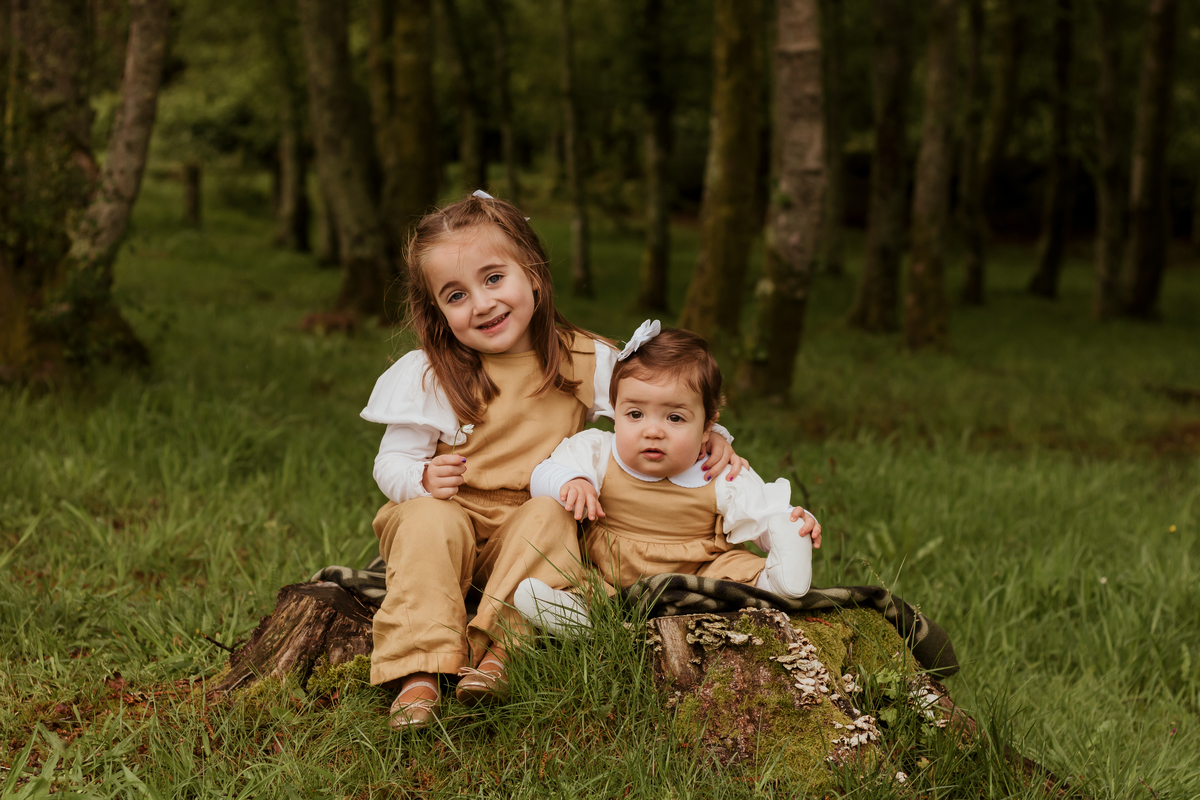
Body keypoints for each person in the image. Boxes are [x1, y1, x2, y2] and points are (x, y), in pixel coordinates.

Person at [361, 195, 745, 729]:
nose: (481, 303)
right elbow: (392, 460)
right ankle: (419, 670)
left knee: (551, 510)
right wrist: (418, 478)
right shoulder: (431, 373)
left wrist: (713, 435)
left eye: (494, 278)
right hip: (452, 524)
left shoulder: (584, 358)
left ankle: (501, 650)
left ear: (535, 276)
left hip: (529, 532)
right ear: (437, 312)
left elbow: (657, 400)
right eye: (456, 295)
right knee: (429, 517)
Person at [520, 321, 822, 635]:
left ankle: (778, 583)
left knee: (738, 570)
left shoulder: (716, 469)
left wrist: (793, 521)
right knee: (576, 571)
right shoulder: (596, 451)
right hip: (608, 570)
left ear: (707, 427)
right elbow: (542, 475)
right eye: (635, 414)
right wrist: (571, 481)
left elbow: (761, 511)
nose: (653, 431)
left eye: (674, 417)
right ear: (614, 411)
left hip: (701, 572)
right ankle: (578, 615)